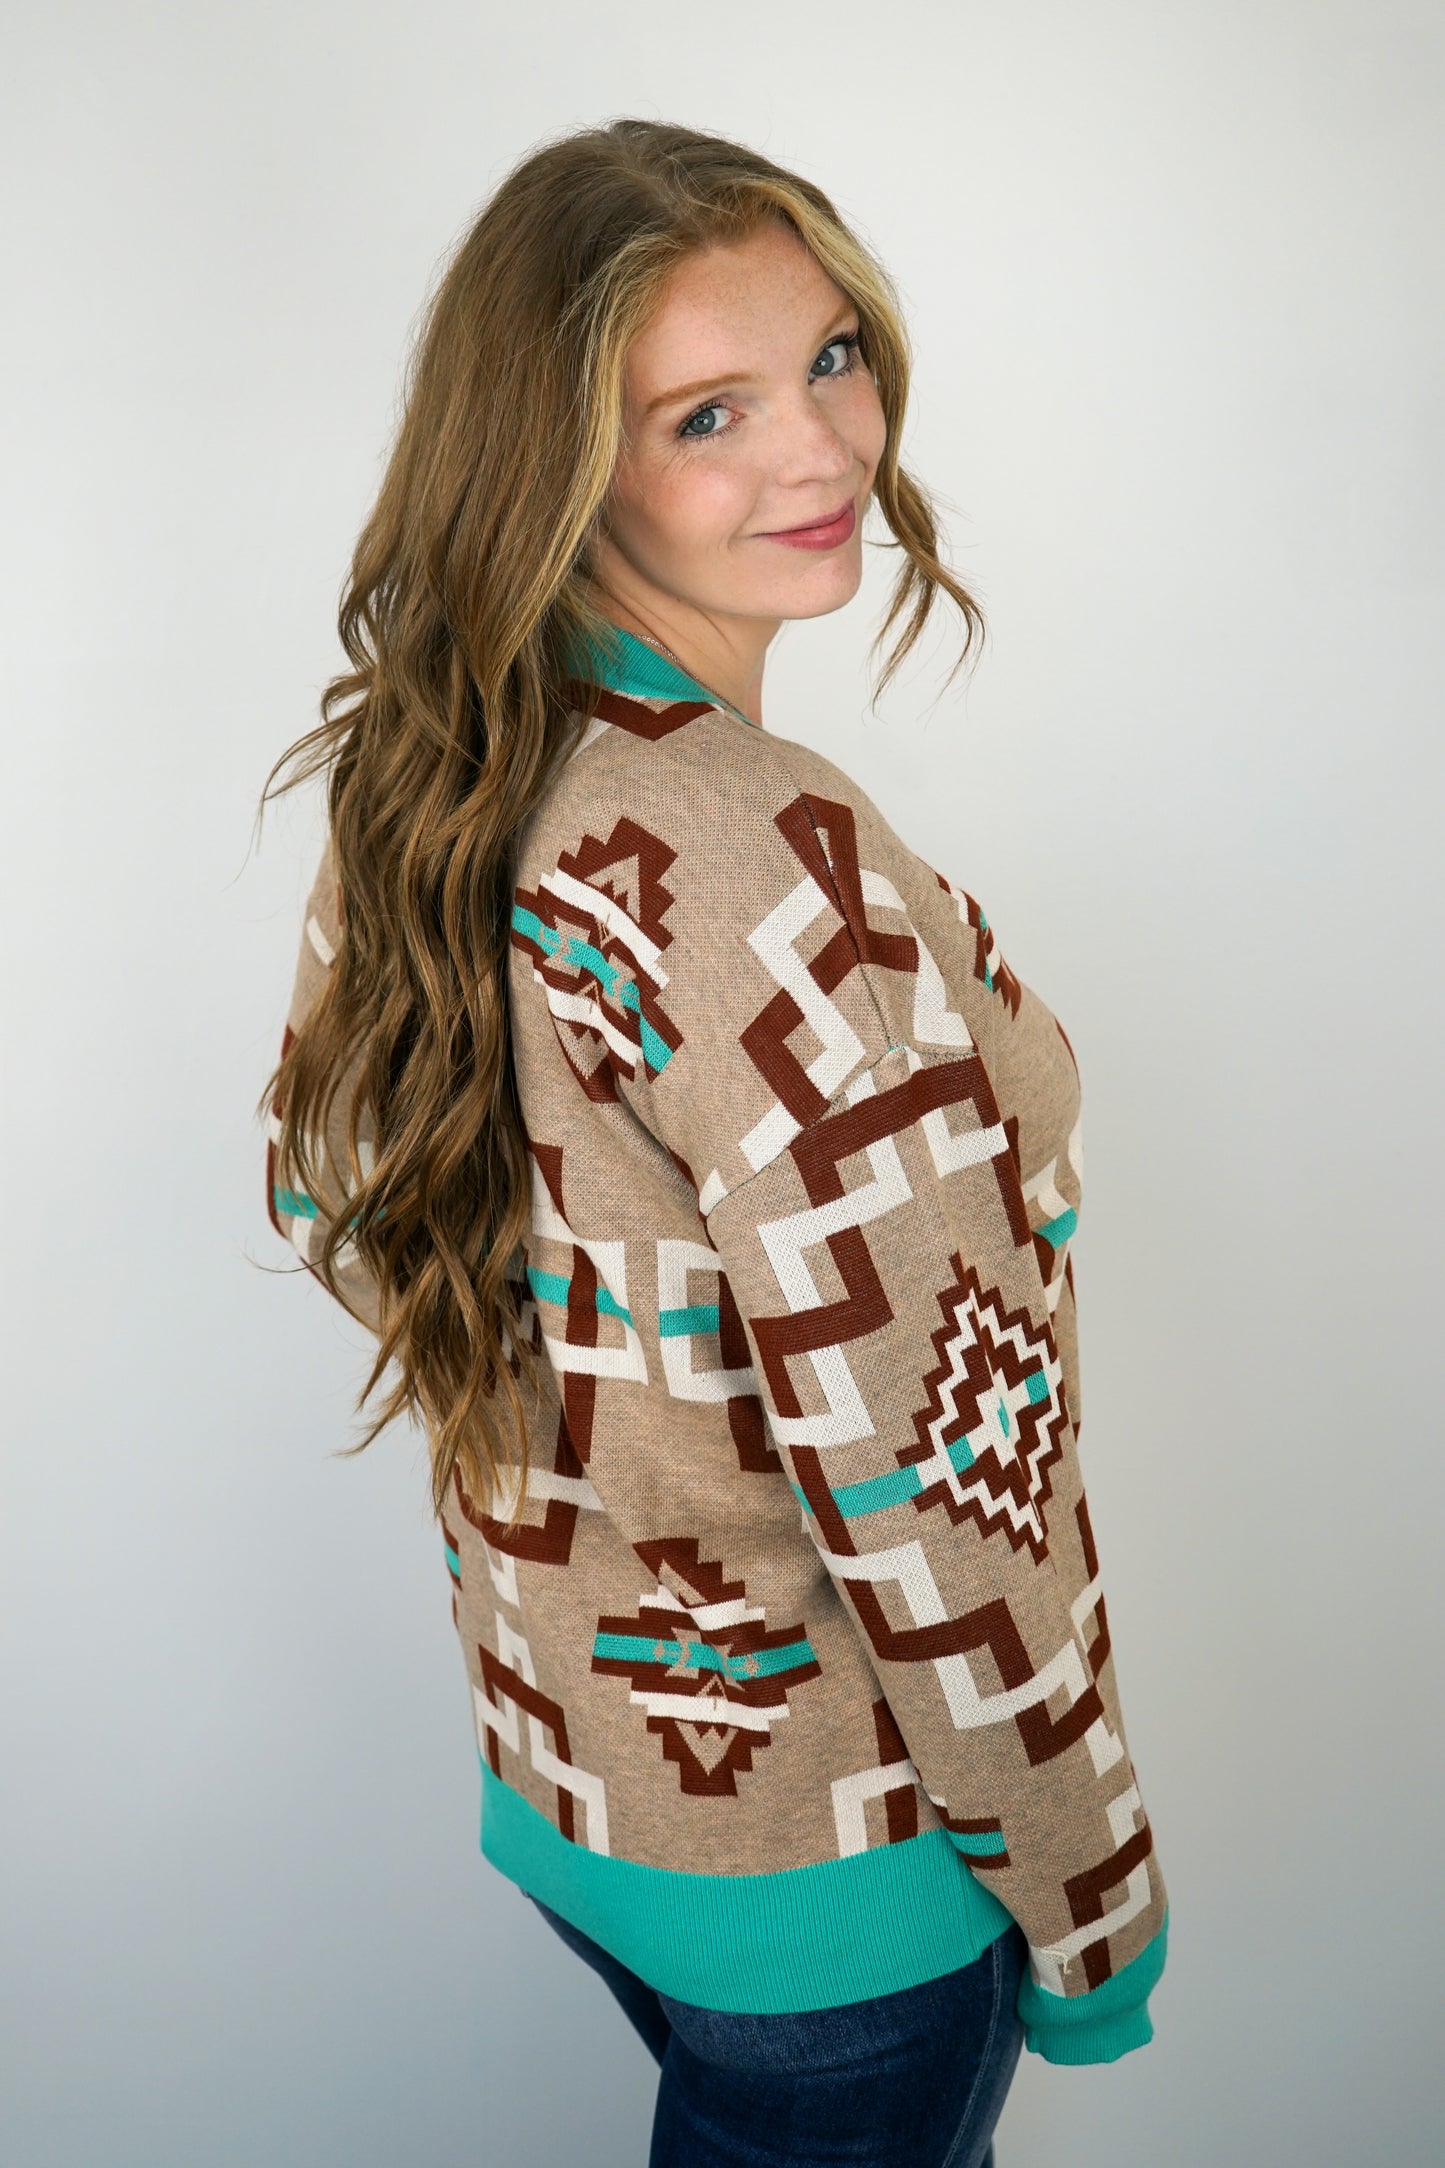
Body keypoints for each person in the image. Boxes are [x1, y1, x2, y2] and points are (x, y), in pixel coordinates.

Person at [260, 118, 1168, 2168]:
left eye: (832, 357)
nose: (823, 449)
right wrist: (1094, 1906)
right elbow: (948, 1477)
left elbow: (333, 1186)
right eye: (709, 413)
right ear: (560, 461)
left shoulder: (440, 757)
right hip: (835, 1887)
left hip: (575, 1789)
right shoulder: (759, 853)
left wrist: (623, 1410)